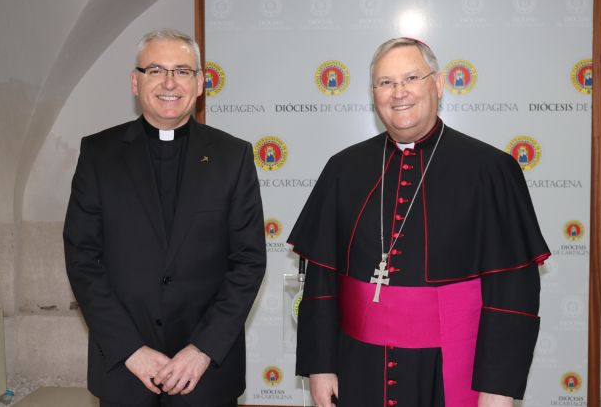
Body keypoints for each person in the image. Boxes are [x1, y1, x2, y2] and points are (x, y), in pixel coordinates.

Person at [288, 37, 550, 407]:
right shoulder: (343, 169)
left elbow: (513, 291)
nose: (399, 93)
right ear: (373, 93)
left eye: (412, 78)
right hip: (359, 367)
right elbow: (322, 280)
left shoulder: (491, 170)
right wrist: (320, 367)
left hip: (450, 367)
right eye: (386, 83)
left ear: (438, 85)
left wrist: (498, 388)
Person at [64, 28, 266, 407]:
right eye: (155, 70)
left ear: (201, 82)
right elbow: (82, 259)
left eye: (183, 71)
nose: (170, 83)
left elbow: (248, 261)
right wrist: (131, 350)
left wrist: (202, 349)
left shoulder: (232, 157)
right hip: (124, 366)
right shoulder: (98, 154)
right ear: (135, 82)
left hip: (205, 371)